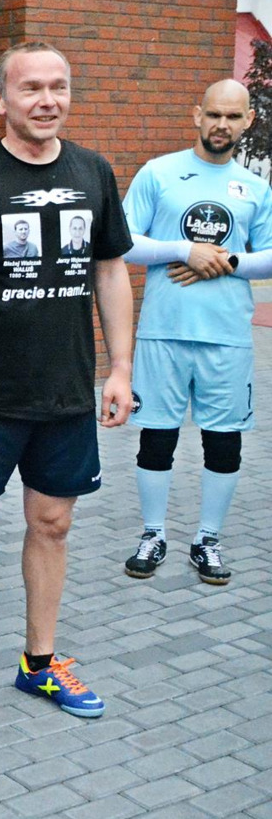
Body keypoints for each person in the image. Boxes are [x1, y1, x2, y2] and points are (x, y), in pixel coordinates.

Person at [0, 41, 133, 736]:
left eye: (58, 86)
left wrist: (120, 368)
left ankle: (39, 661)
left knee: (53, 525)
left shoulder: (93, 171)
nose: (47, 100)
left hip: (64, 391)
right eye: (31, 88)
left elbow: (109, 270)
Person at [120, 79, 272, 585]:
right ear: (196, 115)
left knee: (223, 444)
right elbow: (123, 241)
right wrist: (184, 250)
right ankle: (153, 534)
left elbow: (269, 255)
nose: (221, 125)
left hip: (227, 336)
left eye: (232, 116)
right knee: (156, 439)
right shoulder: (159, 173)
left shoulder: (255, 189)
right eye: (213, 114)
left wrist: (227, 262)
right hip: (162, 332)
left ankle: (208, 539)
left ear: (247, 121)